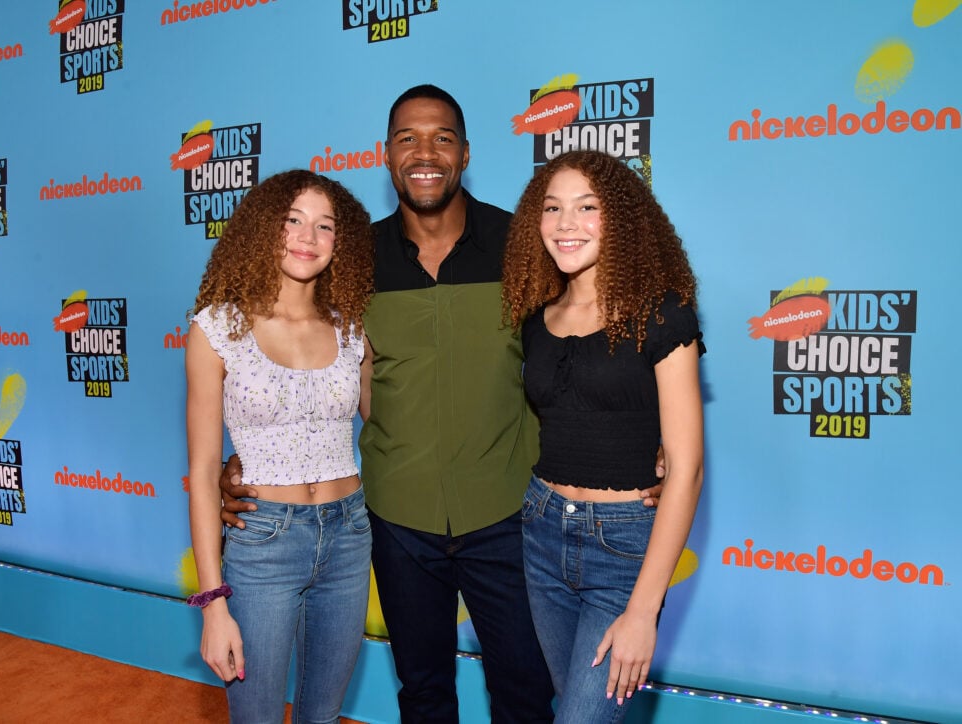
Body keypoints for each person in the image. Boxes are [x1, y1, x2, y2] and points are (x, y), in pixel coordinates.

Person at [220, 86, 663, 722]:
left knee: (524, 691)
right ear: (386, 155)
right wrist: (238, 463)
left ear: (465, 155)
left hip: (511, 516)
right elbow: (286, 356)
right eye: (408, 138)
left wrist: (646, 440)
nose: (425, 153)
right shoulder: (351, 258)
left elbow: (594, 341)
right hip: (398, 520)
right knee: (423, 692)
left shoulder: (524, 244)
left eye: (442, 138)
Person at [501, 149, 704, 722]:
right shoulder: (536, 318)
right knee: (572, 706)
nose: (566, 224)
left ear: (619, 219)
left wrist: (643, 610)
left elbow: (685, 468)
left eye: (587, 207)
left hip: (625, 549)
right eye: (553, 208)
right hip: (542, 533)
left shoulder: (662, 314)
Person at [185, 170, 374, 724]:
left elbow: (392, 429)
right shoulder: (216, 328)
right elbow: (200, 473)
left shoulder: (351, 327)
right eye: (292, 220)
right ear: (263, 228)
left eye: (325, 226)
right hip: (263, 542)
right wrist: (212, 603)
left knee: (323, 715)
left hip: (349, 537)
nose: (307, 237)